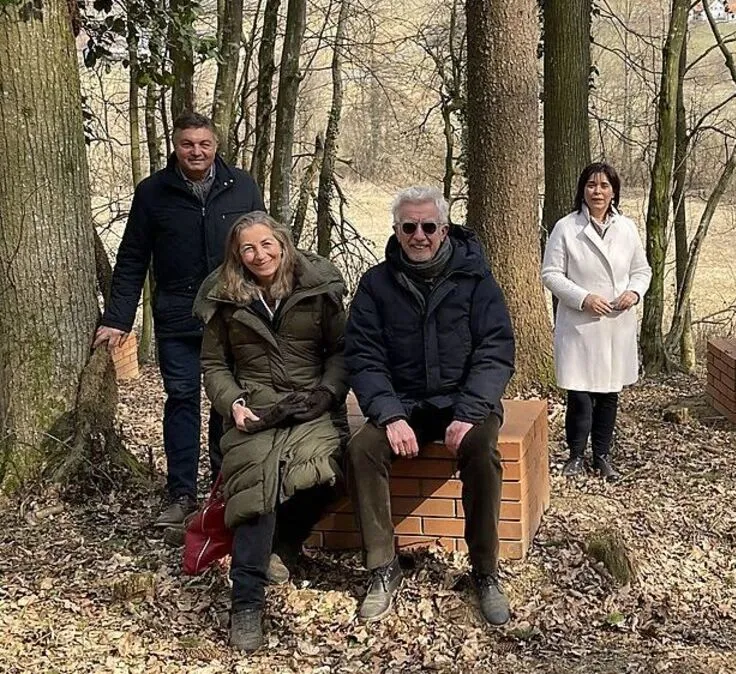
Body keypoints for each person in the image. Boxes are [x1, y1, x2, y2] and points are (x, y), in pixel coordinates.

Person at [344, 186, 515, 626]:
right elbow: (364, 356)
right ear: (396, 231)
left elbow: (495, 351)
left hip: (464, 402)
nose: (418, 235)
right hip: (403, 404)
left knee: (482, 452)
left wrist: (471, 411)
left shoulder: (476, 280)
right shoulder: (376, 284)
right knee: (362, 450)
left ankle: (485, 571)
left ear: (444, 229)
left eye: (428, 226)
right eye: (409, 227)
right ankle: (382, 567)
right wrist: (389, 414)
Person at [93, 112, 266, 530]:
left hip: (233, 315)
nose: (196, 152)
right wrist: (118, 317)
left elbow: (264, 247)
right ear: (175, 145)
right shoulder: (153, 192)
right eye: (188, 144)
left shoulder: (242, 186)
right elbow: (133, 257)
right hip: (178, 315)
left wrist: (270, 307)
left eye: (204, 144)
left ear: (216, 145)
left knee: (230, 403)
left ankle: (224, 489)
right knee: (183, 399)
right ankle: (181, 493)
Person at [195, 212, 347, 651]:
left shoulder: (317, 288)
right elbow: (214, 365)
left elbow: (342, 352)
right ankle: (246, 604)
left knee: (330, 470)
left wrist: (327, 393)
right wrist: (234, 405)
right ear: (236, 255)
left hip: (309, 403)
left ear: (283, 243)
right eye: (248, 248)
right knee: (255, 486)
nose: (259, 255)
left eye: (267, 244)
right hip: (255, 409)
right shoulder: (225, 298)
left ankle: (285, 543)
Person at [541, 162, 651, 482]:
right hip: (580, 325)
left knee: (608, 394)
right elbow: (550, 274)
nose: (597, 191)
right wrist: (583, 298)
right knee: (579, 394)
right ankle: (575, 456)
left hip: (616, 324)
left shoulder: (627, 229)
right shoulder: (566, 228)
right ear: (582, 190)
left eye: (604, 186)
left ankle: (602, 455)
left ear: (613, 191)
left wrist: (634, 292)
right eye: (591, 185)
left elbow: (641, 271)